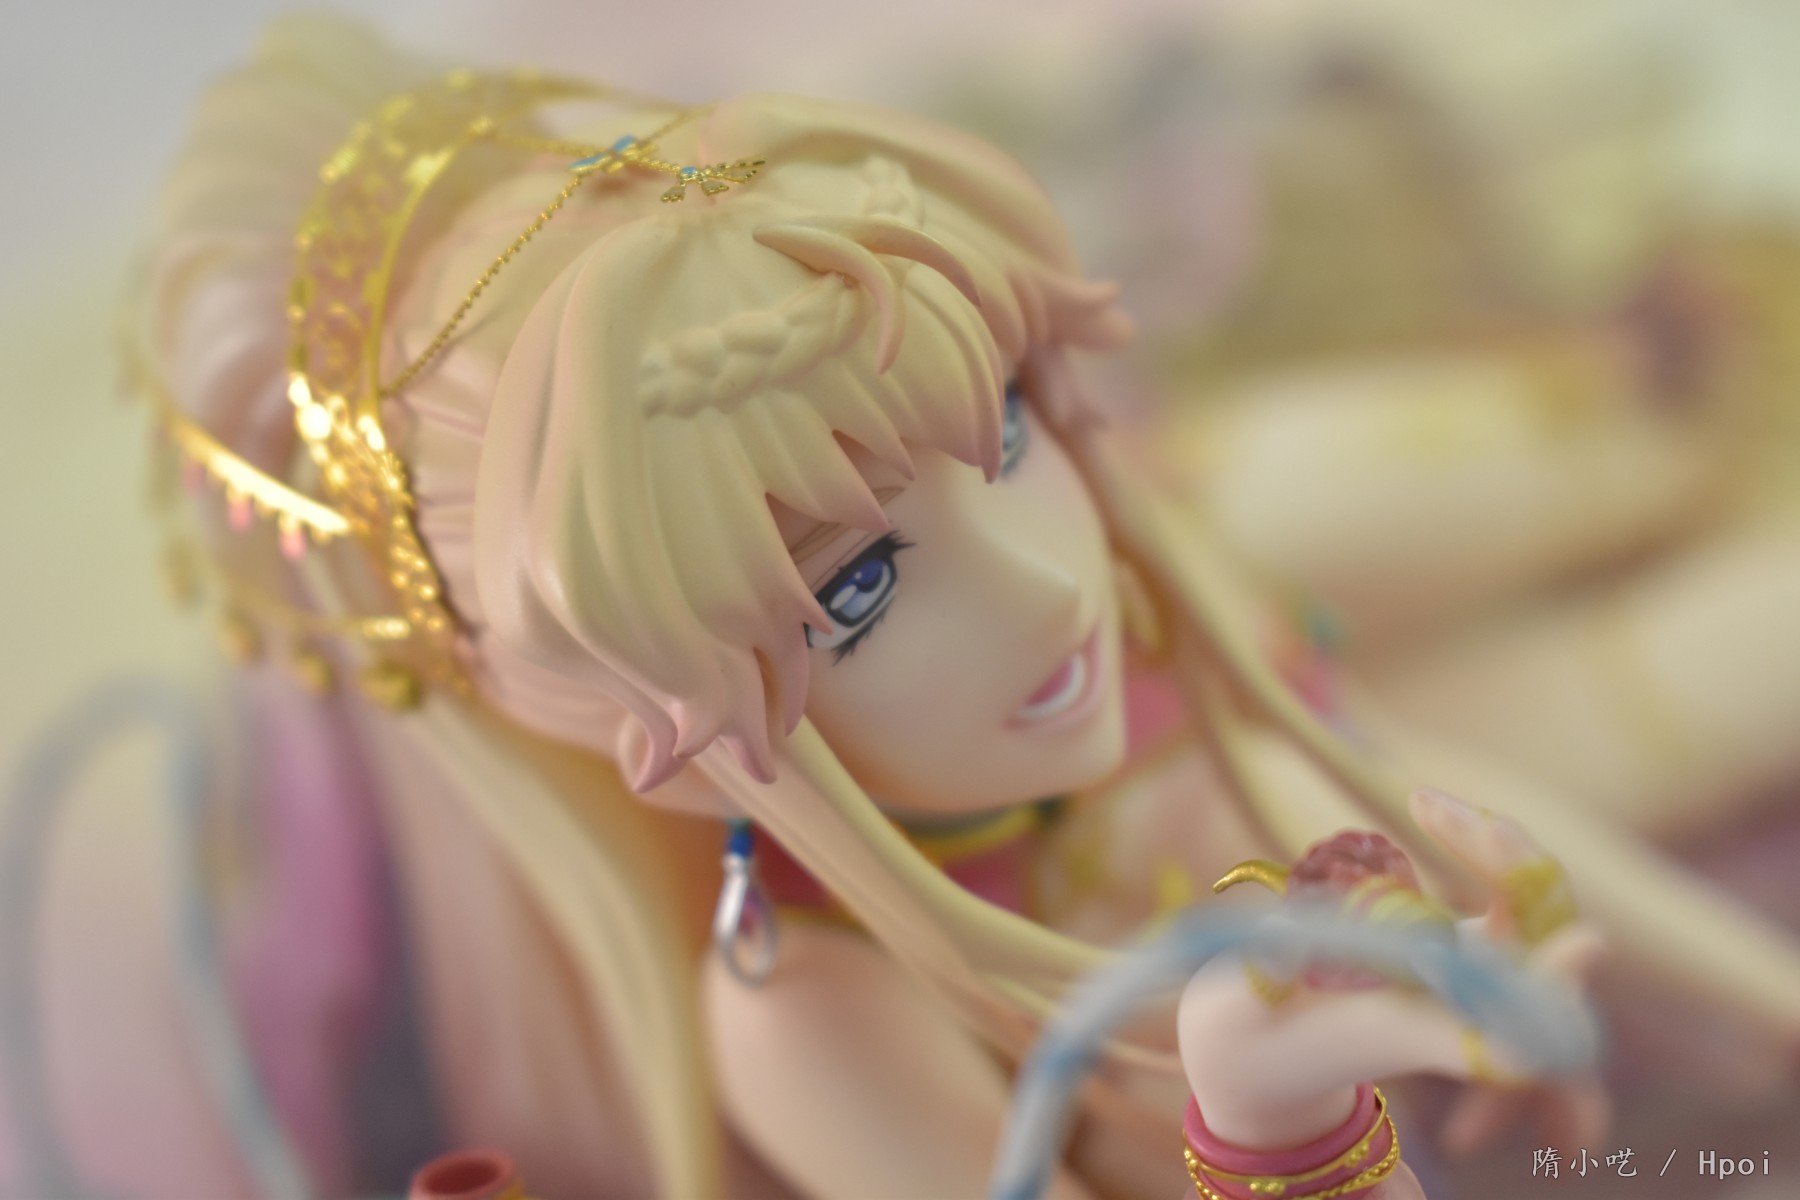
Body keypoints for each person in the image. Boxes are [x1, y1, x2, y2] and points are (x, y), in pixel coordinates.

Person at [15, 14, 1798, 1198]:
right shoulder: (809, 1011)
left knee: (1620, 503)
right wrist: (1278, 1131)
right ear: (666, 733)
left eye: (1005, 420)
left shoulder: (1119, 590)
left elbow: (1436, 789)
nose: (1043, 583)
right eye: (855, 590)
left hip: (1242, 591)